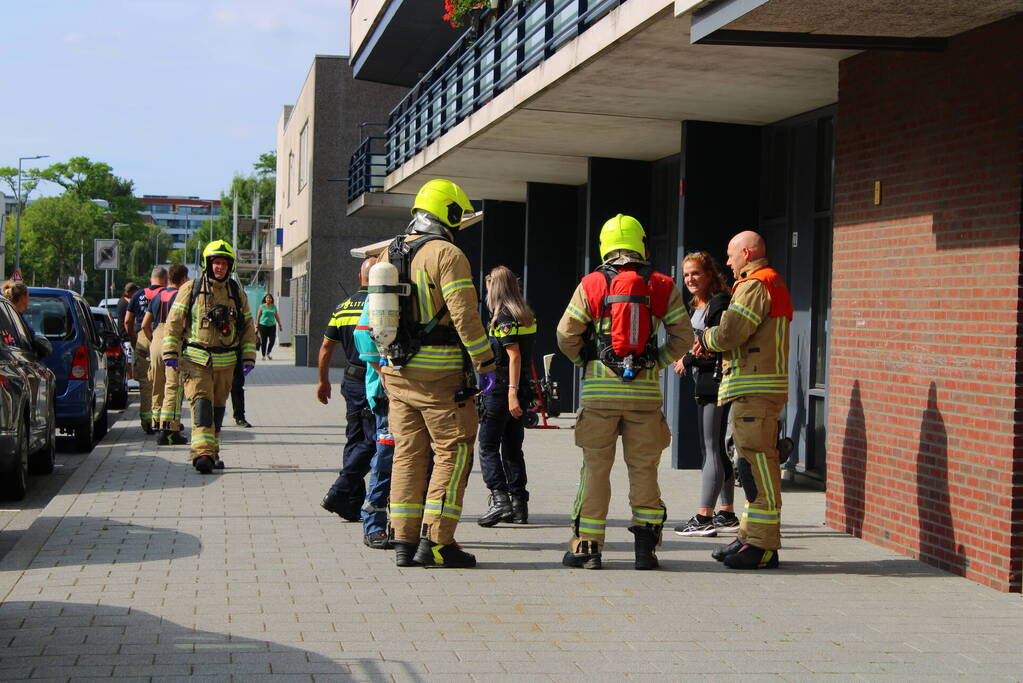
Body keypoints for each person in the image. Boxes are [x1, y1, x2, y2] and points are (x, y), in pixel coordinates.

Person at [556, 214, 692, 570]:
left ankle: (588, 548)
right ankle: (645, 549)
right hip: (644, 396)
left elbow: (565, 334)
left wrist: (585, 361)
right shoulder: (662, 284)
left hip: (599, 395)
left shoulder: (591, 283)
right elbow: (684, 339)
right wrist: (657, 361)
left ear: (605, 245)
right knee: (644, 470)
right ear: (641, 245)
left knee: (595, 471)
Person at [376, 178, 496, 568]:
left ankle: (403, 542)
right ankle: (439, 542)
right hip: (440, 376)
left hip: (396, 374)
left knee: (407, 455)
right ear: (450, 213)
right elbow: (464, 315)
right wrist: (486, 364)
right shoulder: (446, 253)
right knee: (453, 452)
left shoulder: (388, 254)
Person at [700, 230, 792, 570]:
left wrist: (707, 338)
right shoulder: (768, 283)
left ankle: (763, 546)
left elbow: (731, 332)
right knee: (749, 466)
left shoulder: (756, 285)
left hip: (755, 390)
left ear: (748, 253)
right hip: (755, 390)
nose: (727, 261)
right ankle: (749, 537)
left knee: (757, 466)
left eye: (731, 254)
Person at [162, 241, 257, 474]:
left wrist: (248, 357)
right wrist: (170, 352)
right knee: (202, 405)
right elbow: (174, 322)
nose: (220, 267)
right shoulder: (191, 289)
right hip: (197, 362)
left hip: (226, 365)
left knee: (217, 409)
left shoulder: (236, 292)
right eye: (216, 263)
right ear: (208, 263)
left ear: (230, 266)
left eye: (224, 263)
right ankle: (202, 453)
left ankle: (212, 453)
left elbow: (247, 327)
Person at [671, 251, 738, 537]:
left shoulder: (719, 303)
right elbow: (695, 342)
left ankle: (704, 517)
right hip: (705, 382)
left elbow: (716, 344)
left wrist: (688, 359)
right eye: (686, 275)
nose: (690, 279)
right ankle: (727, 512)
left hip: (717, 382)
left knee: (711, 448)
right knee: (715, 449)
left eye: (696, 273)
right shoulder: (697, 305)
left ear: (710, 273)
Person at [317, 258, 376, 522]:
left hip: (350, 381)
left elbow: (326, 348)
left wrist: (322, 381)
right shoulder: (381, 305)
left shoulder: (342, 307)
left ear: (358, 276)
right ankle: (341, 492)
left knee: (354, 438)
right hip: (373, 379)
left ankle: (352, 502)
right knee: (373, 440)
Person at [476, 266, 536, 528]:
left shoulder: (503, 318)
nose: (486, 290)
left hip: (503, 389)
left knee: (488, 446)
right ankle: (519, 505)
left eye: (489, 284)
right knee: (512, 447)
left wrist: (511, 394)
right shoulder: (526, 315)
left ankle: (499, 498)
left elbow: (514, 356)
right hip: (520, 387)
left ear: (496, 287)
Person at [353, 304, 394, 550]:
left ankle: (407, 525)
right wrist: (385, 374)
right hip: (387, 395)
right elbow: (361, 334)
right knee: (386, 458)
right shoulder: (385, 287)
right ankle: (374, 524)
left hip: (419, 393)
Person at [140, 263, 189, 446]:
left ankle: (156, 423)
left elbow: (145, 324)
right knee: (173, 387)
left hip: (156, 339)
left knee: (157, 384)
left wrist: (153, 340)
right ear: (183, 279)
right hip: (173, 340)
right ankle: (170, 430)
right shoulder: (181, 296)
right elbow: (183, 323)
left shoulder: (158, 296)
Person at [125, 267, 168, 434]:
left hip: (142, 337)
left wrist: (134, 338)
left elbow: (128, 321)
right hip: (161, 336)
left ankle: (146, 421)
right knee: (163, 381)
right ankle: (162, 419)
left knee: (144, 383)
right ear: (165, 279)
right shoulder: (167, 294)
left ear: (151, 279)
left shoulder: (137, 295)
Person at [256, 294, 282, 360]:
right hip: (263, 326)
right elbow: (258, 316)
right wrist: (256, 325)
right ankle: (263, 355)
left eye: (270, 298)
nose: (268, 299)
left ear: (272, 299)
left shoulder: (274, 307)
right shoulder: (262, 306)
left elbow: (276, 316)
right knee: (264, 341)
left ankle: (268, 352)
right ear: (265, 299)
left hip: (272, 326)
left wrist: (280, 325)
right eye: (267, 298)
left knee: (272, 340)